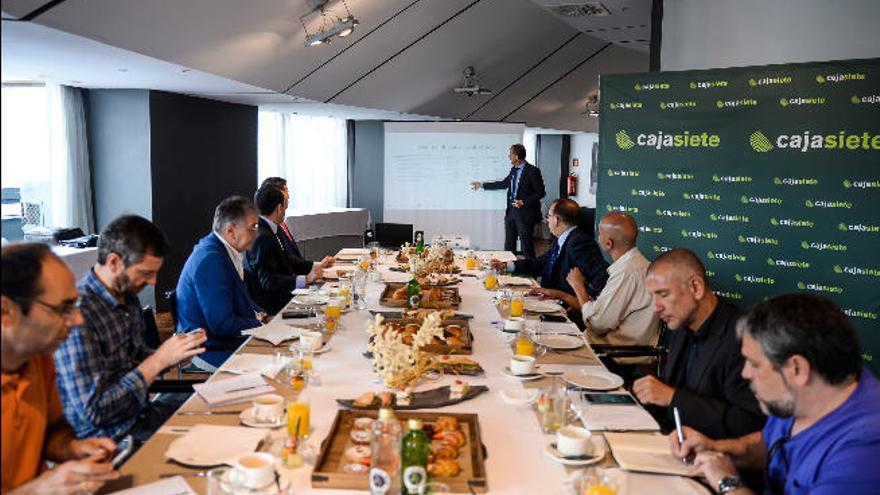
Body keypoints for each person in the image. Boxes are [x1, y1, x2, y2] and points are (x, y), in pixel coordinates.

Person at [671, 294, 880, 495]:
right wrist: (716, 449)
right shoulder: (798, 398)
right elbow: (769, 445)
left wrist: (727, 483)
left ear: (796, 369)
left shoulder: (864, 450)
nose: (745, 373)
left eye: (754, 364)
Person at [53, 215, 208, 443]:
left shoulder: (127, 295)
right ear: (114, 262)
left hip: (141, 415)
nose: (153, 282)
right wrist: (159, 360)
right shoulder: (78, 316)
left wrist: (174, 352)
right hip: (110, 439)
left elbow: (135, 360)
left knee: (223, 417)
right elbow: (94, 412)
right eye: (146, 273)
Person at [2, 243, 119, 493]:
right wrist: (40, 490)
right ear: (6, 311)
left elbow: (52, 430)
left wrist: (71, 448)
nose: (78, 320)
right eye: (63, 309)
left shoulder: (37, 357)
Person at [633, 248, 764, 439]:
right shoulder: (680, 326)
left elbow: (749, 424)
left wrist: (671, 397)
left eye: (663, 294)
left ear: (696, 287)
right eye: (652, 297)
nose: (655, 307)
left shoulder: (743, 339)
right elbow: (670, 390)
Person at [176, 196, 265, 371]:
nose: (257, 233)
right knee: (280, 362)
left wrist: (260, 313)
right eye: (253, 227)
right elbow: (222, 325)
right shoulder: (211, 260)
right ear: (231, 231)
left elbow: (239, 294)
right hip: (211, 348)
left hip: (224, 338)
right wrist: (262, 325)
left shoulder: (220, 249)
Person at [565, 213, 659, 361]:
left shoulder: (627, 272)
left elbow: (598, 323)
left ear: (608, 243)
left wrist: (578, 287)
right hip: (610, 348)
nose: (597, 237)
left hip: (612, 354)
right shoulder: (637, 265)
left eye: (599, 233)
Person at [494, 198, 608, 299]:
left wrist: (582, 304)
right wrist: (506, 265)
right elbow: (539, 264)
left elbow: (601, 277)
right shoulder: (561, 239)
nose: (547, 221)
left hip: (563, 303)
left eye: (548, 216)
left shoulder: (579, 242)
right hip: (548, 297)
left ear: (556, 220)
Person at [245, 186, 326, 314]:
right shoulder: (263, 237)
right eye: (285, 206)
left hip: (282, 297)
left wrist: (315, 265)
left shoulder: (267, 228)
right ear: (279, 208)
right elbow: (268, 281)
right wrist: (305, 280)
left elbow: (283, 259)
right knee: (323, 310)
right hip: (273, 307)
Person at [471, 144, 545, 258]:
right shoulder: (514, 170)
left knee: (526, 245)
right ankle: (510, 268)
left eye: (510, 154)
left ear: (516, 156)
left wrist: (523, 201)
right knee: (509, 244)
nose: (508, 156)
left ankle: (531, 271)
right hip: (511, 212)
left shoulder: (532, 171)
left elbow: (540, 192)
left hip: (525, 214)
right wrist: (482, 185)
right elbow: (504, 183)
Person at [259, 177, 334, 268]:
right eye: (285, 201)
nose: (286, 206)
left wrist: (316, 265)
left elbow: (288, 259)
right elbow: (271, 278)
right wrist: (304, 280)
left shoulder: (275, 226)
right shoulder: (264, 234)